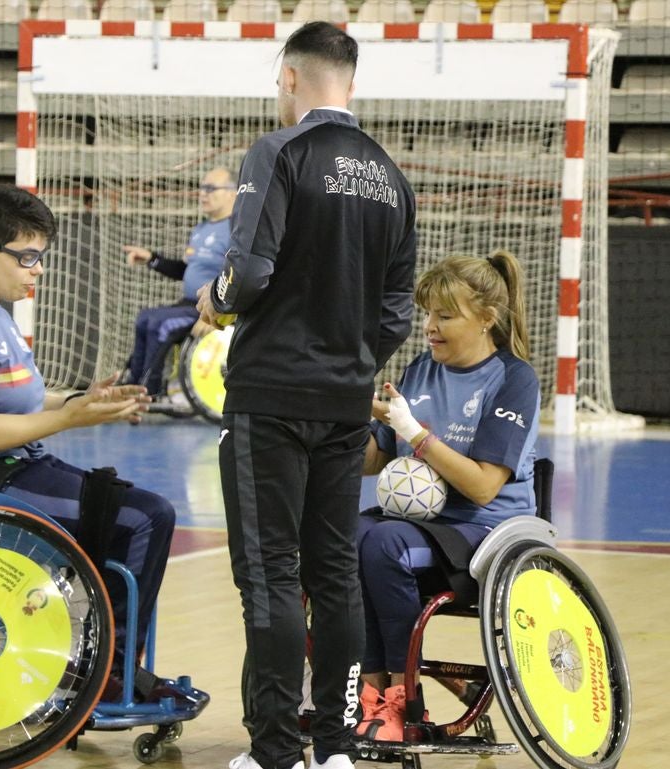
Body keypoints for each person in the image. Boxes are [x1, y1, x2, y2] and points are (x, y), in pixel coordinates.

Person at [195, 21, 418, 769]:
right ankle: (336, 749)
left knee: (270, 572)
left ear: (289, 77)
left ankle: (274, 753)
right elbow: (396, 312)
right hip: (346, 401)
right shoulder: (392, 176)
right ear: (348, 83)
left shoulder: (278, 152)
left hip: (271, 397)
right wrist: (349, 361)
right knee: (332, 571)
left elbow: (250, 272)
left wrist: (216, 296)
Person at [0, 181, 176, 697]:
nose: (38, 269)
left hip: (9, 464)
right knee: (143, 518)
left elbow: (22, 398)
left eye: (40, 257)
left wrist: (82, 401)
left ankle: (90, 661)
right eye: (27, 257)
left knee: (134, 510)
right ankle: (108, 674)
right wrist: (71, 421)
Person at [355, 252, 540, 741]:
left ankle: (401, 700)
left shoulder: (513, 379)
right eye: (427, 315)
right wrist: (336, 418)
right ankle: (368, 696)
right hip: (421, 525)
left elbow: (481, 485)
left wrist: (415, 433)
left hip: (483, 532)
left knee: (383, 543)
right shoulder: (420, 368)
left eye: (445, 315)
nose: (429, 327)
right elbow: (374, 457)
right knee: (346, 535)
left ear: (486, 319)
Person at [122, 167, 237, 399]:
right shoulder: (201, 229)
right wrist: (153, 259)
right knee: (146, 317)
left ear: (233, 193)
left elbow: (239, 275)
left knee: (160, 324)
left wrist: (221, 313)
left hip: (210, 306)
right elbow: (187, 271)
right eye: (202, 188)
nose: (202, 194)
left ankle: (147, 391)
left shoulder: (237, 229)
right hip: (188, 303)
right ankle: (131, 384)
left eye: (211, 188)